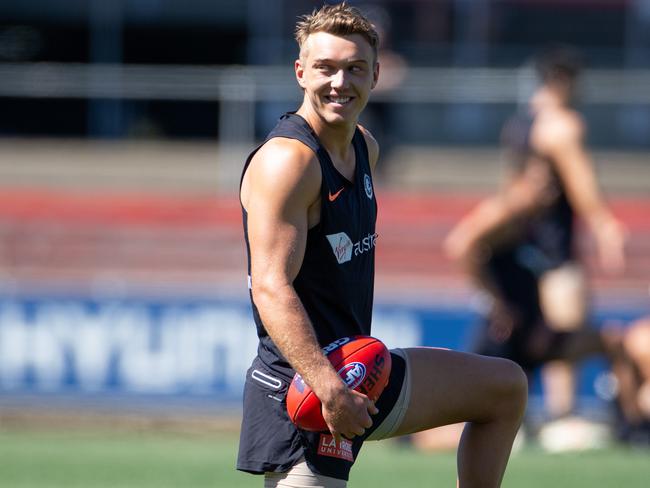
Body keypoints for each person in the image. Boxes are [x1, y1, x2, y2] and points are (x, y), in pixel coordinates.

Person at [236, 3, 527, 487]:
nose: (339, 82)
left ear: (377, 74)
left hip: (358, 370)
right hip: (304, 392)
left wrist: (345, 385)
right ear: (300, 72)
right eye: (325, 68)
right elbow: (270, 288)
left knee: (505, 388)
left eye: (354, 69)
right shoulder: (288, 161)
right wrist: (329, 391)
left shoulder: (364, 148)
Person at [440, 45, 647, 445]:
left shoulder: (522, 128)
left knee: (584, 340)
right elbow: (578, 178)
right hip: (532, 290)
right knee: (560, 338)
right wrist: (604, 224)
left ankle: (604, 424)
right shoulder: (558, 130)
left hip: (529, 294)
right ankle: (561, 415)